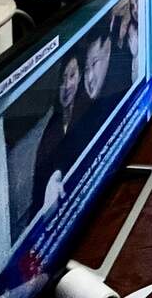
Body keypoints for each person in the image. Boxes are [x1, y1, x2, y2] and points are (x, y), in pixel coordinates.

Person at [32, 54, 89, 217]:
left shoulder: (87, 109)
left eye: (72, 76)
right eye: (62, 79)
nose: (66, 86)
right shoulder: (50, 131)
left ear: (80, 76)